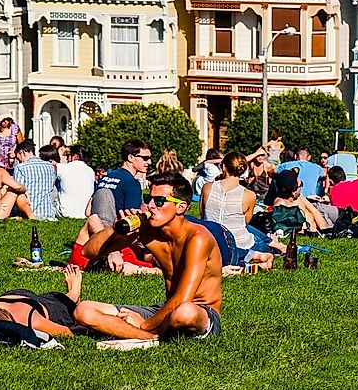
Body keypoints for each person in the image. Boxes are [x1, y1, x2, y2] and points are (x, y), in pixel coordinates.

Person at [75, 171, 222, 340]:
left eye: (159, 201)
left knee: (183, 312)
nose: (150, 206)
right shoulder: (148, 231)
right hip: (167, 308)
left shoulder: (197, 238)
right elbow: (89, 251)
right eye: (148, 199)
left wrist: (143, 323)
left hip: (199, 312)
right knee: (83, 310)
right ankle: (150, 338)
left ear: (180, 207)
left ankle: (147, 331)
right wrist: (116, 229)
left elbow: (183, 298)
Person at [68, 141, 151, 268]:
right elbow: (132, 221)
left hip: (93, 236)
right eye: (145, 158)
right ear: (130, 158)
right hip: (117, 239)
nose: (149, 162)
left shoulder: (106, 177)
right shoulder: (131, 183)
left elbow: (88, 211)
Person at [201, 152, 269, 261]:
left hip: (210, 239)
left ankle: (274, 242)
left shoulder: (207, 188)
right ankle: (276, 246)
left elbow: (203, 214)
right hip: (239, 243)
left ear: (223, 167)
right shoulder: (249, 195)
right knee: (266, 247)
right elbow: (246, 221)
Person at [263, 169, 328, 234]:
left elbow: (314, 210)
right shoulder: (281, 206)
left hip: (317, 228)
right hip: (309, 232)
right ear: (293, 191)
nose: (302, 188)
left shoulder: (299, 197)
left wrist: (323, 231)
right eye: (300, 186)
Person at [13, 142, 59, 220]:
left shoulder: (20, 168)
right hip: (49, 213)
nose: (19, 161)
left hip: (29, 213)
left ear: (23, 152)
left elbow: (18, 191)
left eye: (18, 159)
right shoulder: (50, 166)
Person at [57, 145, 96, 218]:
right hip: (85, 213)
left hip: (66, 213)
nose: (66, 158)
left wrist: (60, 158)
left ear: (75, 157)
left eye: (68, 155)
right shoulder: (90, 171)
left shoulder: (62, 168)